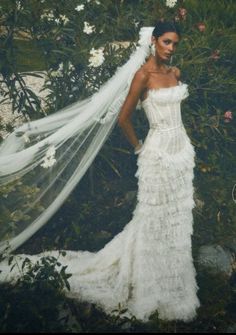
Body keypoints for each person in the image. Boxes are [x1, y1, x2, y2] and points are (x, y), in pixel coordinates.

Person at [0, 21, 200, 322]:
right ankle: (147, 281)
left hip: (181, 154)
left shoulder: (174, 74)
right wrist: (140, 148)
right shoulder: (142, 76)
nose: (171, 49)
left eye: (175, 44)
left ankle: (174, 283)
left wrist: (183, 144)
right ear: (154, 41)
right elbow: (123, 119)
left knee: (177, 218)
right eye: (167, 42)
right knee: (153, 218)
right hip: (156, 156)